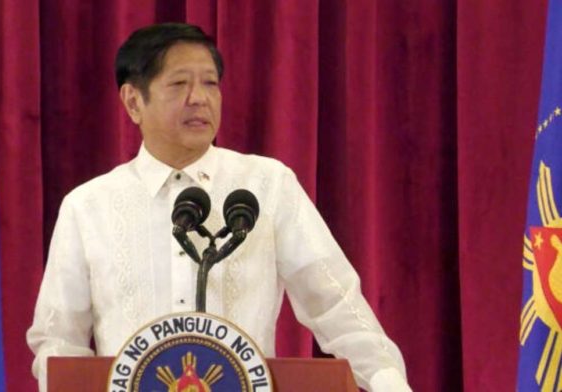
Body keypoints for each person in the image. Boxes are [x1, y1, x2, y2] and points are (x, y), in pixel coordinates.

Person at [27, 23, 412, 392]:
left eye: (210, 83)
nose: (200, 98)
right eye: (179, 84)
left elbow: (336, 304)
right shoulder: (88, 206)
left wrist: (388, 382)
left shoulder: (266, 185)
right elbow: (59, 338)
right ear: (133, 101)